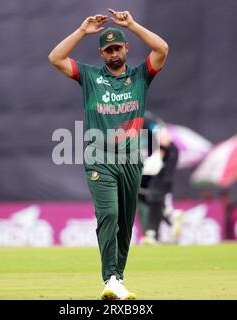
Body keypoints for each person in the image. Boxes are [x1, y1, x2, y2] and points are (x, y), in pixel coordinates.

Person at [48, 9, 168, 300]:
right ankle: (110, 277)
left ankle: (119, 279)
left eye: (118, 47)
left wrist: (133, 25)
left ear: (126, 48)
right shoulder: (90, 77)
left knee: (126, 222)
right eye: (108, 49)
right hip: (99, 156)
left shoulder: (140, 76)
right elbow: (55, 58)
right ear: (101, 53)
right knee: (109, 215)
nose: (113, 53)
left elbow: (162, 49)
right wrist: (81, 31)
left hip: (130, 158)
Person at [138, 111, 183, 245]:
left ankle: (151, 234)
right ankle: (171, 216)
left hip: (166, 156)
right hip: (150, 159)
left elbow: (164, 138)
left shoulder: (145, 119)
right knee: (138, 192)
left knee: (155, 193)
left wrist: (159, 155)